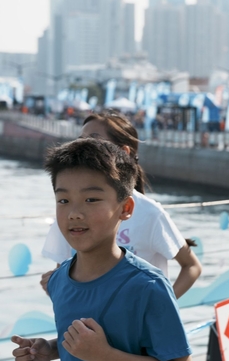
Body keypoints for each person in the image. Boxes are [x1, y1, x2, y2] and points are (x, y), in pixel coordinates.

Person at [12, 137, 193, 361]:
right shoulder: (59, 280)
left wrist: (104, 356)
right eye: (63, 200)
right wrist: (51, 349)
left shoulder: (147, 286)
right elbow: (85, 346)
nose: (74, 213)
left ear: (126, 208)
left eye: (91, 199)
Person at [41, 110, 202, 298]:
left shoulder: (149, 213)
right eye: (80, 141)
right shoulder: (69, 213)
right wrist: (56, 286)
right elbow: (64, 275)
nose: (84, 148)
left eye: (94, 141)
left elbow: (191, 266)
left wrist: (159, 305)